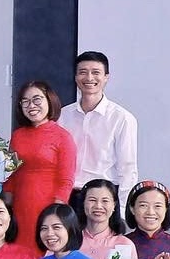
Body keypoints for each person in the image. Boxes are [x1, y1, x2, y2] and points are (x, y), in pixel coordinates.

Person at [6, 81, 77, 251]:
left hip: (47, 207)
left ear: (49, 100)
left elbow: (66, 181)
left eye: (37, 99)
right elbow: (10, 176)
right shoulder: (17, 136)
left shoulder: (63, 137)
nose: (31, 106)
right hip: (20, 207)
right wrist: (6, 208)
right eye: (25, 101)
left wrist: (55, 214)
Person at [58, 51, 139, 195]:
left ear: (106, 77)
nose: (89, 78)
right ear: (75, 77)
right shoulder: (62, 116)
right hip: (68, 194)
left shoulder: (122, 118)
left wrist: (123, 205)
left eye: (96, 72)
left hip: (104, 195)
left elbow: (127, 169)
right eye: (83, 72)